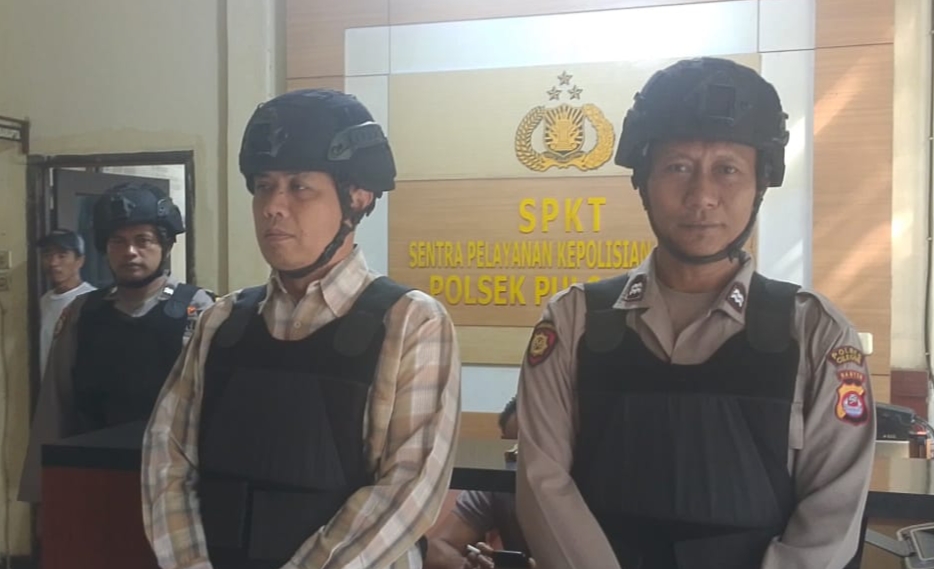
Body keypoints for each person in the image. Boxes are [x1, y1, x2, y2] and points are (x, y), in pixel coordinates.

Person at [516, 57, 875, 569]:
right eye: (677, 167)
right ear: (643, 180)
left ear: (761, 183)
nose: (702, 196)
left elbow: (832, 516)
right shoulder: (574, 321)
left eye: (727, 169)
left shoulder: (815, 334)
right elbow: (542, 485)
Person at [142, 89, 461, 569]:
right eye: (263, 186)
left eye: (299, 187)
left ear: (357, 196)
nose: (273, 206)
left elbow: (407, 489)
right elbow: (166, 463)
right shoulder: (220, 322)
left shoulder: (411, 322)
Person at [19, 182, 214, 503]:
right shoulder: (83, 312)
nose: (130, 251)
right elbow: (55, 404)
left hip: (174, 484)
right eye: (118, 241)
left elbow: (213, 410)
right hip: (94, 478)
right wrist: (44, 490)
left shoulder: (197, 309)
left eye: (143, 240)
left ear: (165, 246)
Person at [426, 398, 529, 569]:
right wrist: (466, 565)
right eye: (513, 450)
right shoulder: (497, 481)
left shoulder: (573, 484)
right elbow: (436, 548)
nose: (520, 462)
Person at [36, 229, 95, 375]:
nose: (53, 263)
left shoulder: (92, 299)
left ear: (79, 260)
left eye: (62, 255)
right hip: (48, 384)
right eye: (47, 255)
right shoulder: (44, 301)